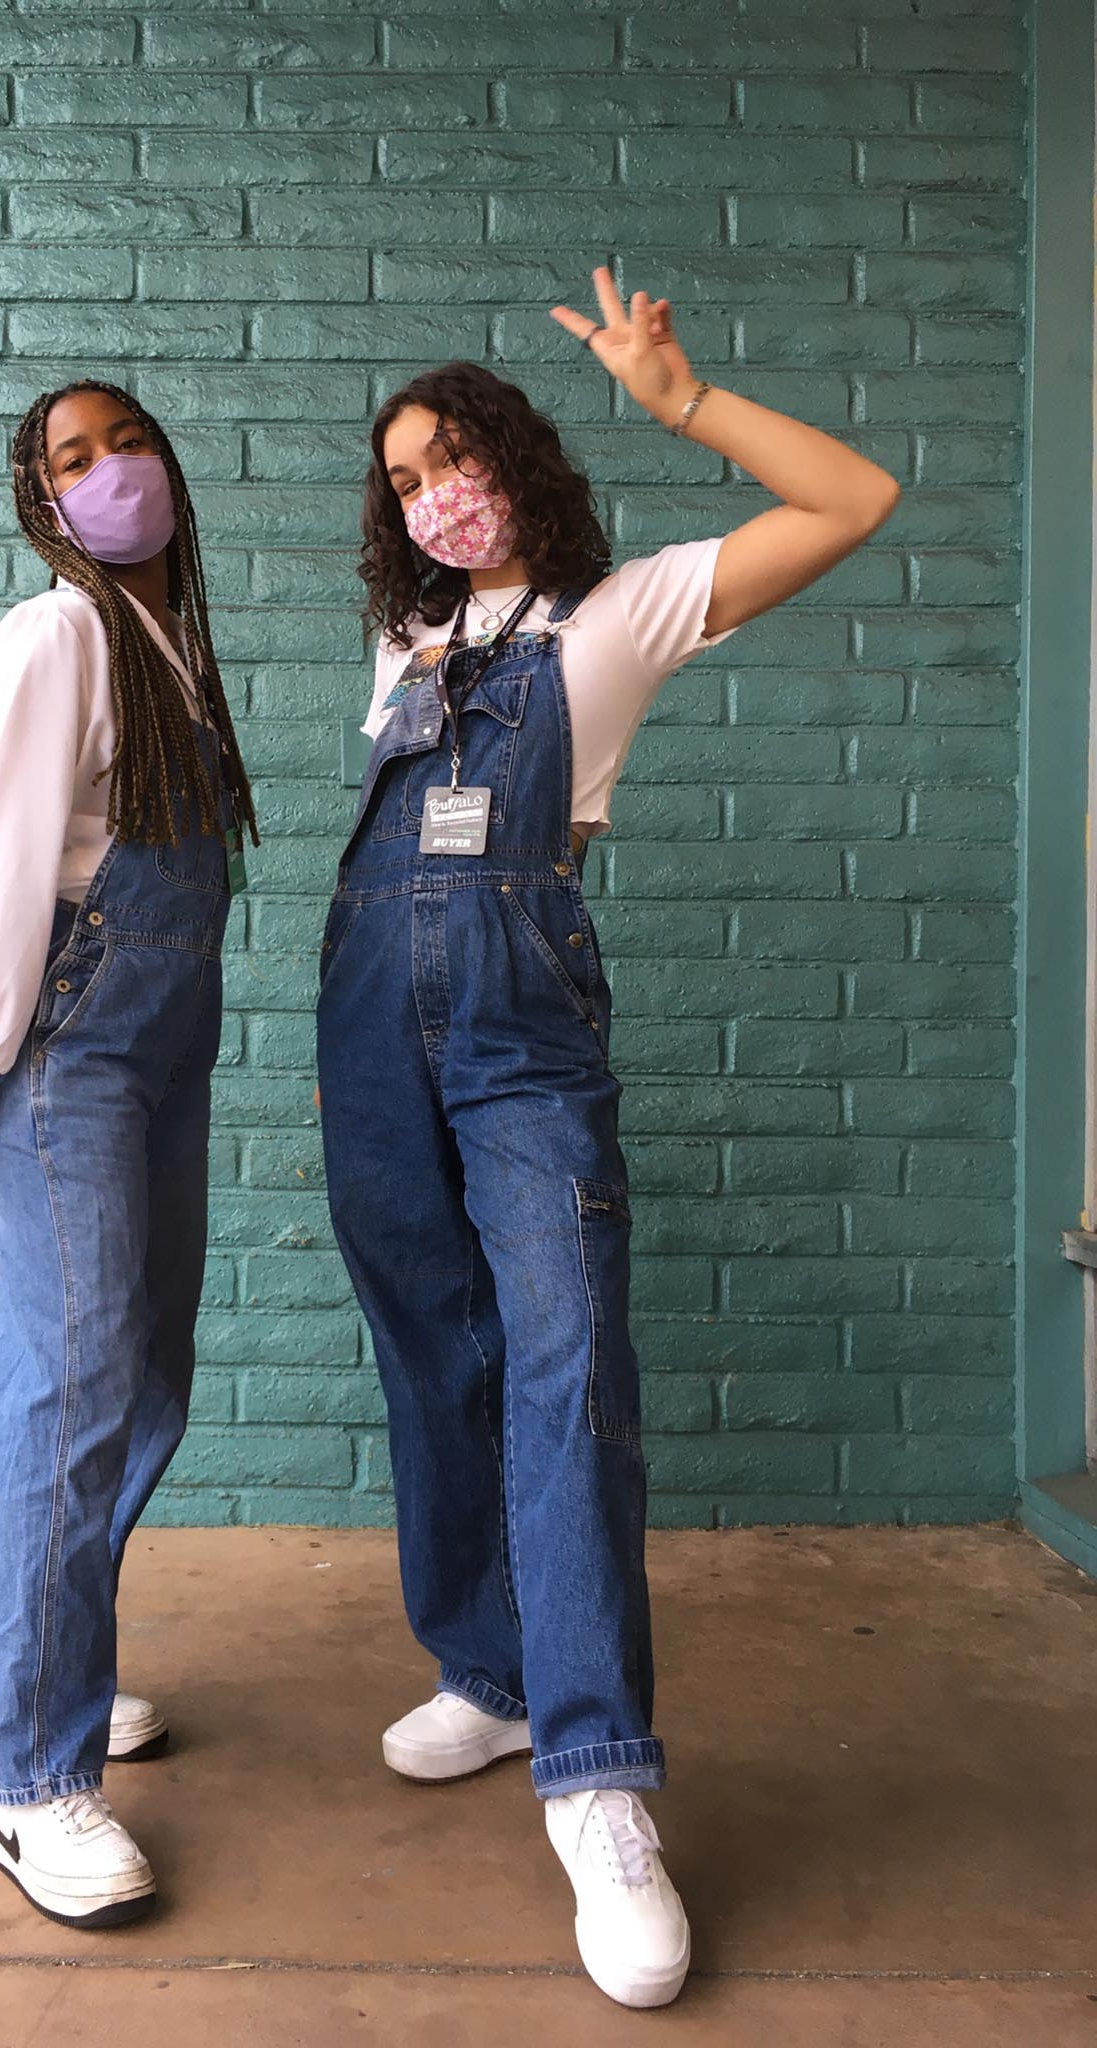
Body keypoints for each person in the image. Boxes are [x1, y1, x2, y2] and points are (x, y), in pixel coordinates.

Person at [315, 268, 899, 2009]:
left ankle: (600, 1781)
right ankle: (491, 1675)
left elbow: (852, 502)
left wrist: (685, 400)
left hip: (517, 1033)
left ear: (522, 460)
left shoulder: (627, 612)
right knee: (437, 1355)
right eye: (408, 475)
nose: (436, 493)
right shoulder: (410, 641)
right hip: (364, 1022)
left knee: (565, 1368)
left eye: (461, 457)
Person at [0, 379, 256, 1929]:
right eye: (73, 457)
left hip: (159, 1044)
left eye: (128, 441)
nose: (112, 469)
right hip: (65, 1051)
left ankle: (67, 1663)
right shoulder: (53, 635)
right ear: (40, 499)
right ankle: (31, 1779)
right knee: (78, 1385)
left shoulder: (169, 639)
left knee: (145, 1375)